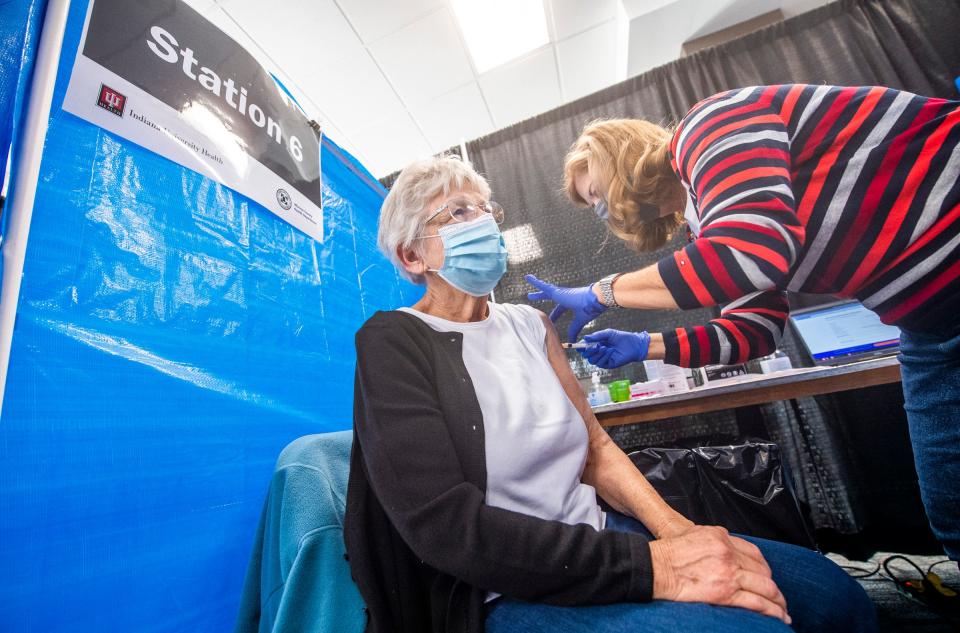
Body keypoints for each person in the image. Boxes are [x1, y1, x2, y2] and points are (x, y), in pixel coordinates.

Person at [345, 155, 876, 633]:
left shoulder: (531, 324)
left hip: (601, 535)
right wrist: (658, 568)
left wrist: (677, 532)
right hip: (504, 584)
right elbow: (447, 530)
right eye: (459, 213)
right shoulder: (392, 342)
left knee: (837, 598)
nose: (483, 222)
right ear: (412, 255)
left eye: (487, 210)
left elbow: (596, 448)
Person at [525, 84, 960, 563]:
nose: (603, 212)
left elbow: (750, 252)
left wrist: (601, 291)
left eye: (596, 194)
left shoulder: (711, 124)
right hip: (933, 327)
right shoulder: (706, 221)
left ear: (619, 158)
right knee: (952, 509)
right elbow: (755, 330)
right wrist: (643, 344)